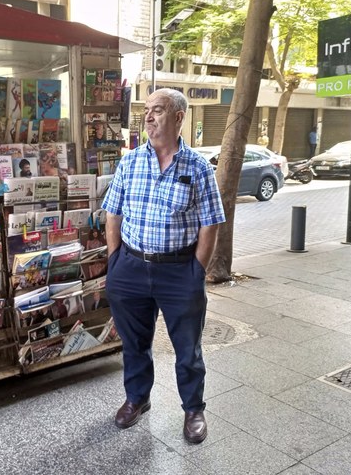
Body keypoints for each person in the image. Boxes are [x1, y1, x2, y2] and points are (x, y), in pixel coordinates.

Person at [101, 88, 225, 444]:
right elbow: (113, 211)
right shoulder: (130, 161)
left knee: (187, 348)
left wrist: (196, 272)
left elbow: (210, 222)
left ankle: (193, 409)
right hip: (131, 267)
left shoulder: (198, 166)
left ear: (179, 117)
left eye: (158, 110)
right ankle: (137, 398)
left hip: (178, 271)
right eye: (146, 111)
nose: (149, 117)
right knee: (134, 343)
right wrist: (115, 259)